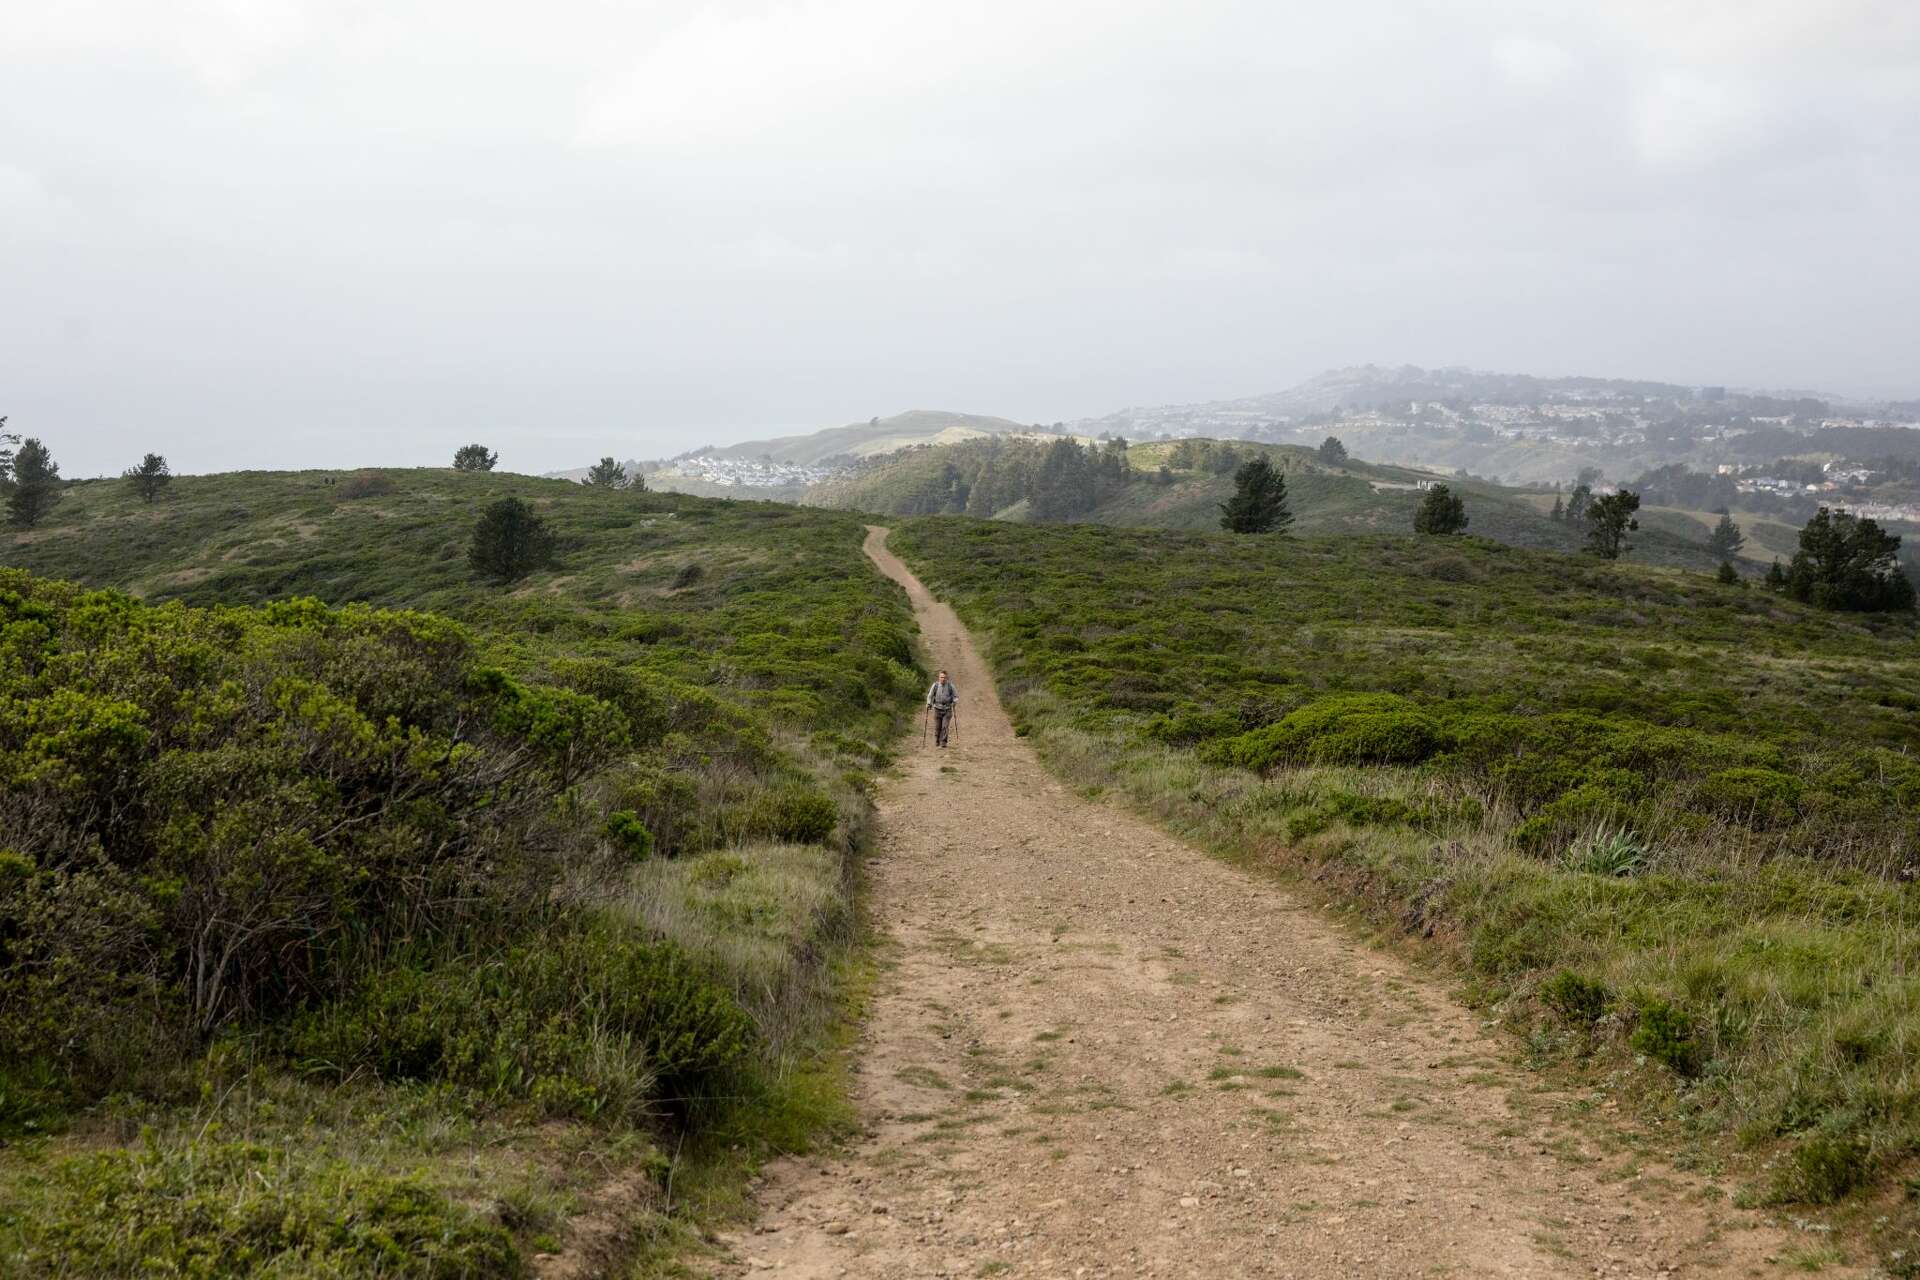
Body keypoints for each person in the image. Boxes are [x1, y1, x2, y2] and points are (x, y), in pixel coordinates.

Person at [925, 670, 958, 747]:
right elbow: (930, 695)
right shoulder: (935, 685)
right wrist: (929, 703)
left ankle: (943, 742)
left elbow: (956, 696)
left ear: (947, 678)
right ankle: (937, 740)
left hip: (947, 709)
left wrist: (954, 702)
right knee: (937, 727)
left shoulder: (950, 686)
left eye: (944, 677)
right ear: (939, 678)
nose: (943, 679)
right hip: (937, 708)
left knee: (945, 726)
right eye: (941, 677)